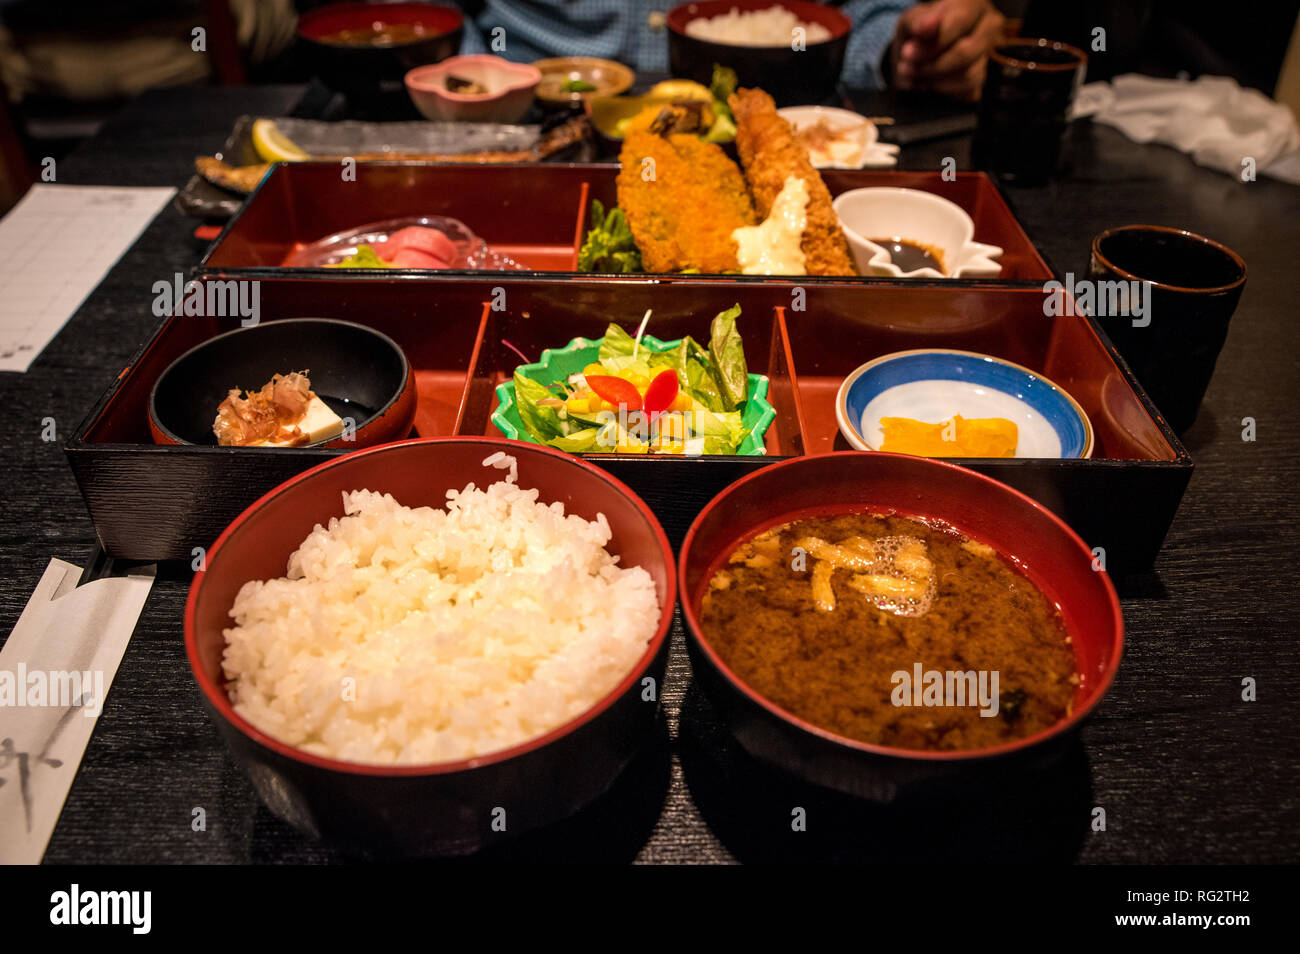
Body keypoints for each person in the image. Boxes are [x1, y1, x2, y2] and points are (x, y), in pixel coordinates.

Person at [453, 0, 1004, 100]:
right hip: (522, 112)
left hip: (801, 103)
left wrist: (907, 53)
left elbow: (869, 12)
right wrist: (473, 83)